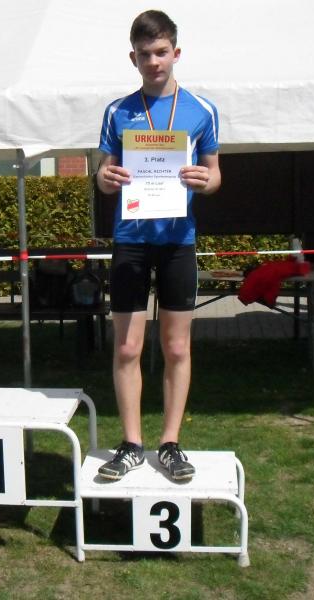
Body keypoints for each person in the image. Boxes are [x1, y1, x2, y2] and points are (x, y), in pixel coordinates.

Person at [95, 10, 221, 481]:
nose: (154, 62)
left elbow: (215, 175)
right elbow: (104, 174)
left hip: (176, 241)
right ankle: (131, 443)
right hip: (131, 240)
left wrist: (204, 180)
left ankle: (170, 443)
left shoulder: (201, 110)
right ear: (133, 58)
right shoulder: (118, 111)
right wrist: (105, 178)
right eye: (145, 54)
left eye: (161, 52)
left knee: (176, 346)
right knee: (128, 347)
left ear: (176, 53)